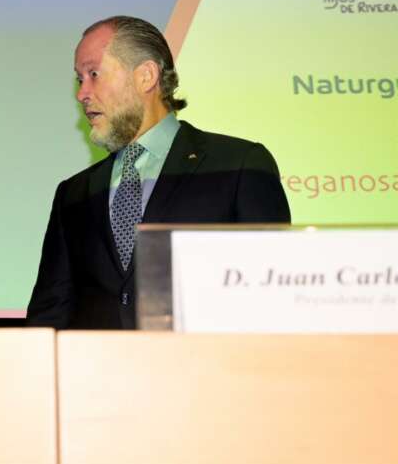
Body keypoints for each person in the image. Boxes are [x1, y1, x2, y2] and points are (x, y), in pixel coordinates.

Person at [27, 16, 290, 329]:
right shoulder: (73, 193)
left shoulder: (239, 165)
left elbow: (271, 297)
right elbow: (50, 314)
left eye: (94, 74)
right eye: (79, 79)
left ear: (146, 76)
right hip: (96, 374)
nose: (82, 93)